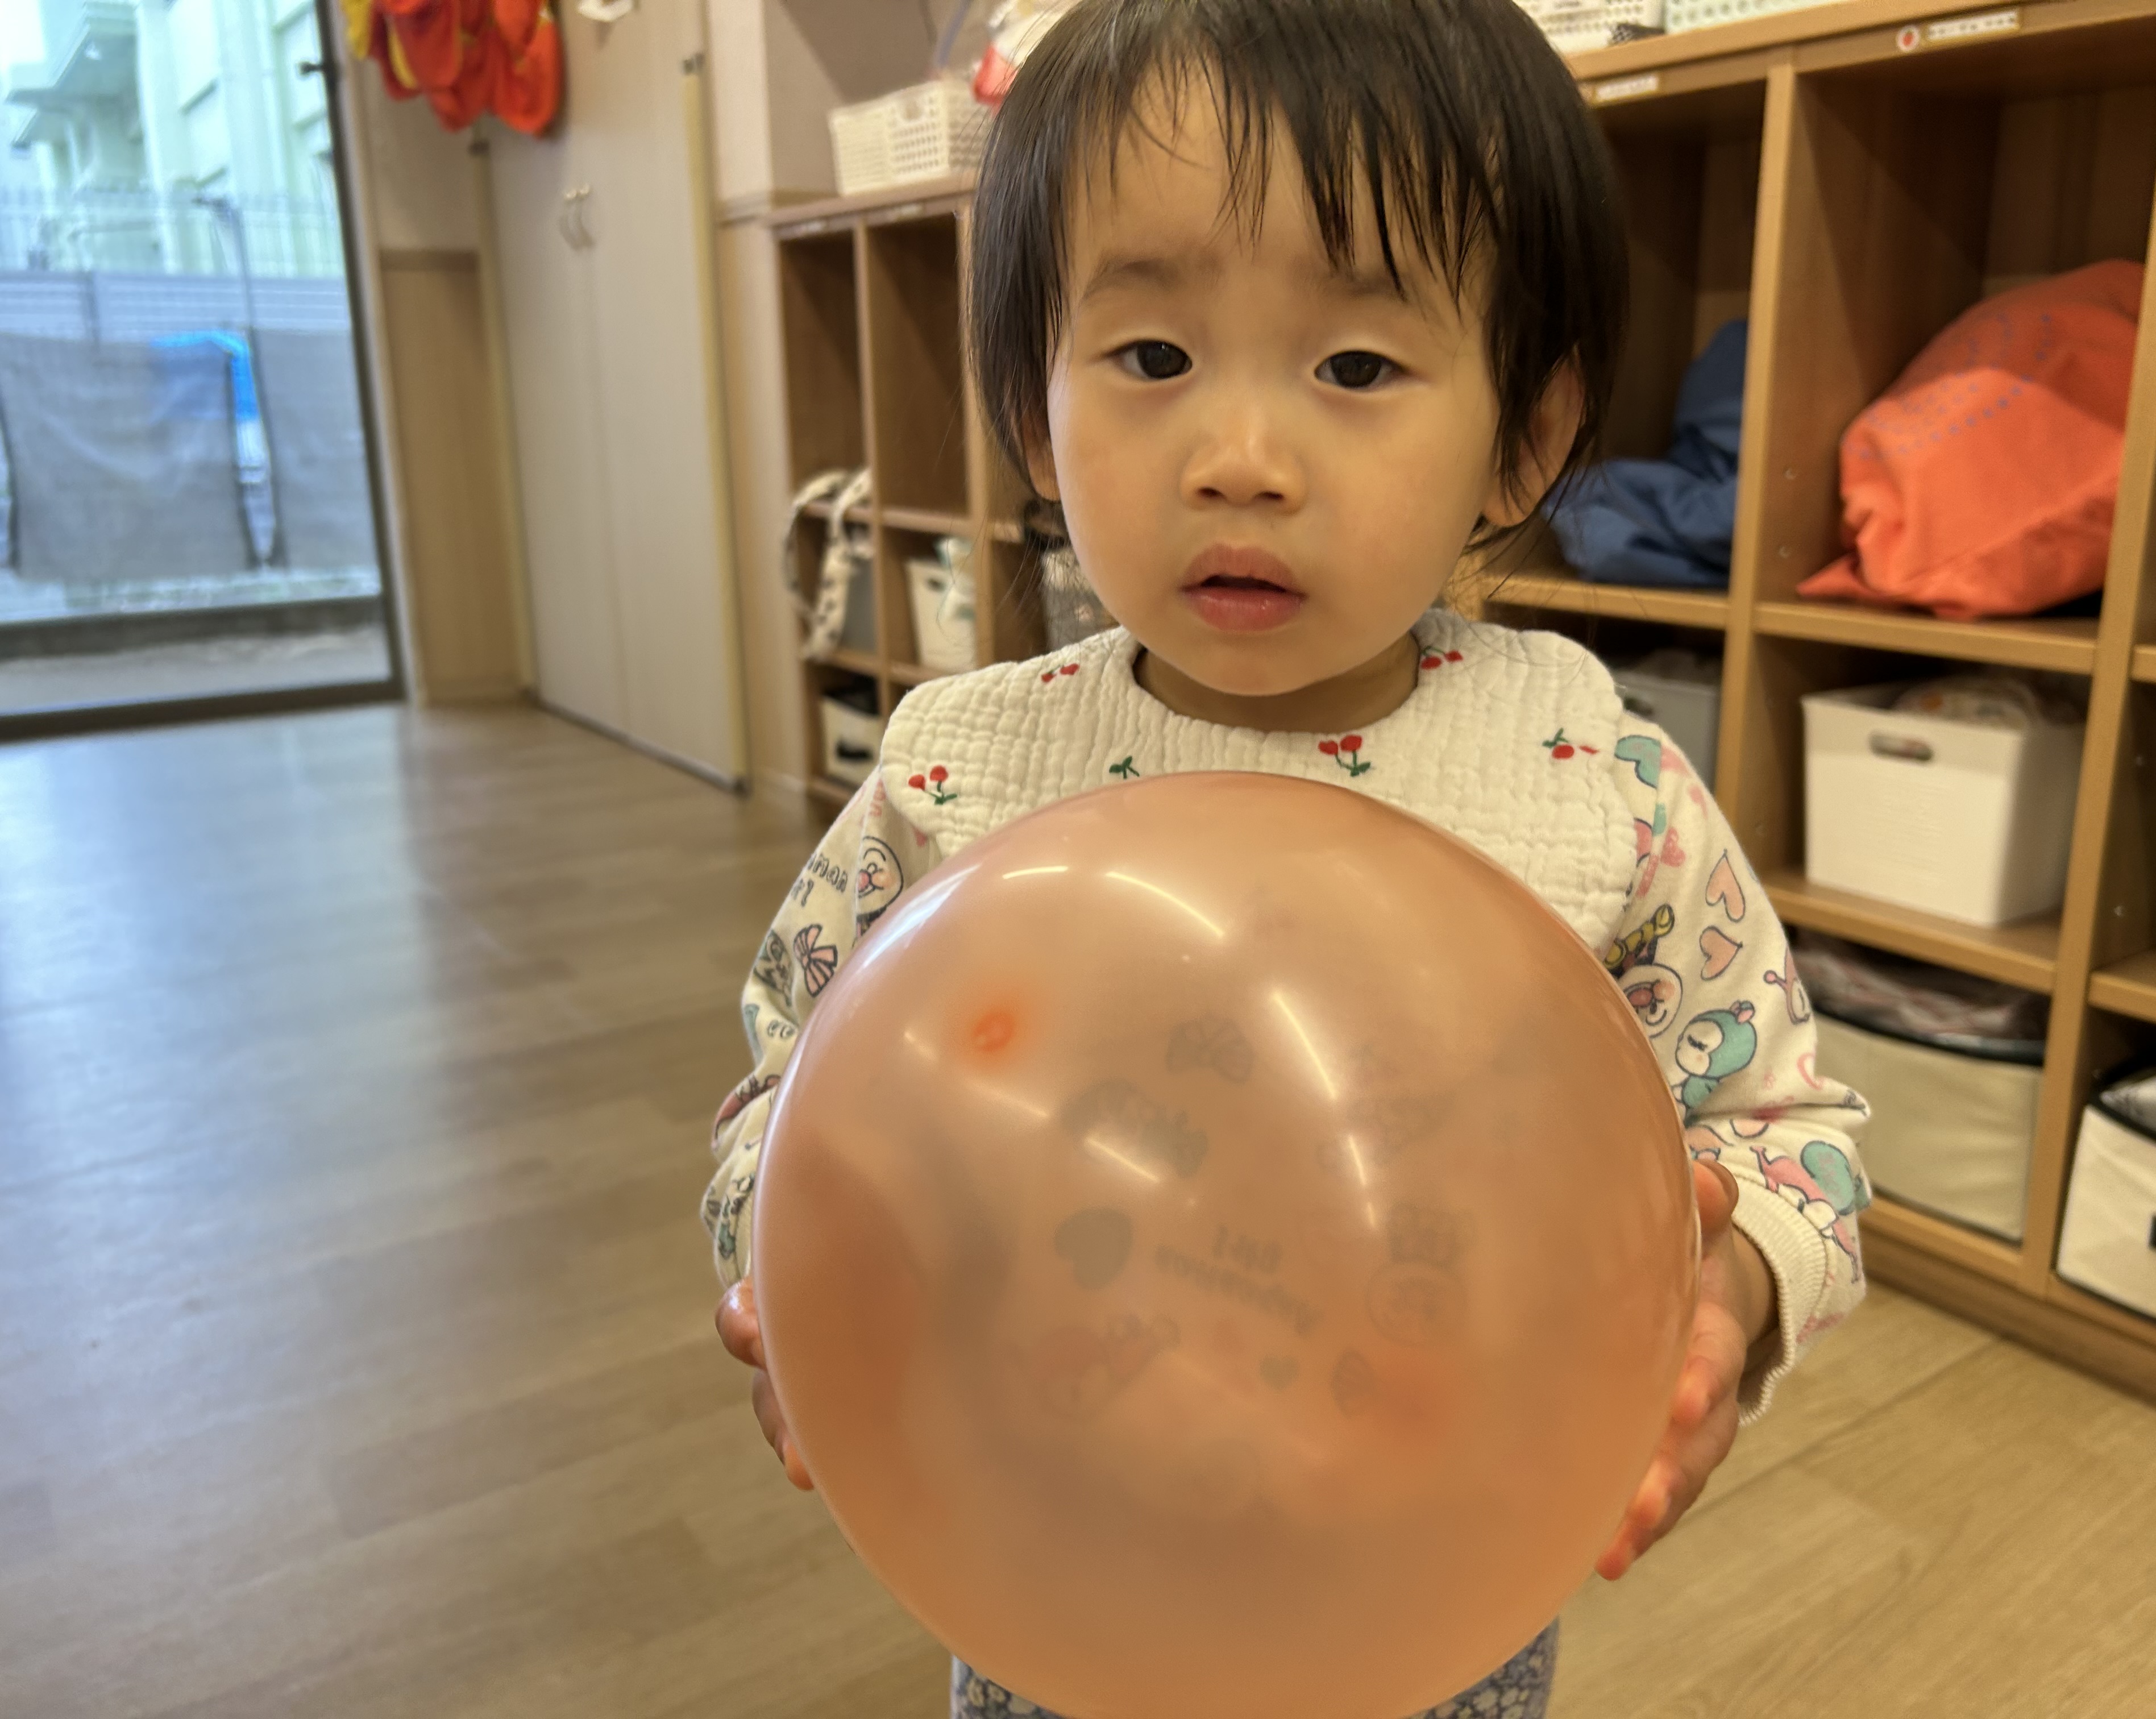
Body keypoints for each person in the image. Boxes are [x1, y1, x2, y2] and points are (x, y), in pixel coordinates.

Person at [709, 2, 1870, 1713]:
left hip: (1427, 1572)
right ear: (1035, 416)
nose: (1240, 462)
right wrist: (792, 1264)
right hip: (1052, 1542)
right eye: (1150, 356)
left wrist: (1738, 1286)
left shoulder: (1587, 786)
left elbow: (1784, 1133)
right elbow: (789, 1092)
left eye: (1357, 369)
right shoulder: (963, 779)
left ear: (1527, 434)